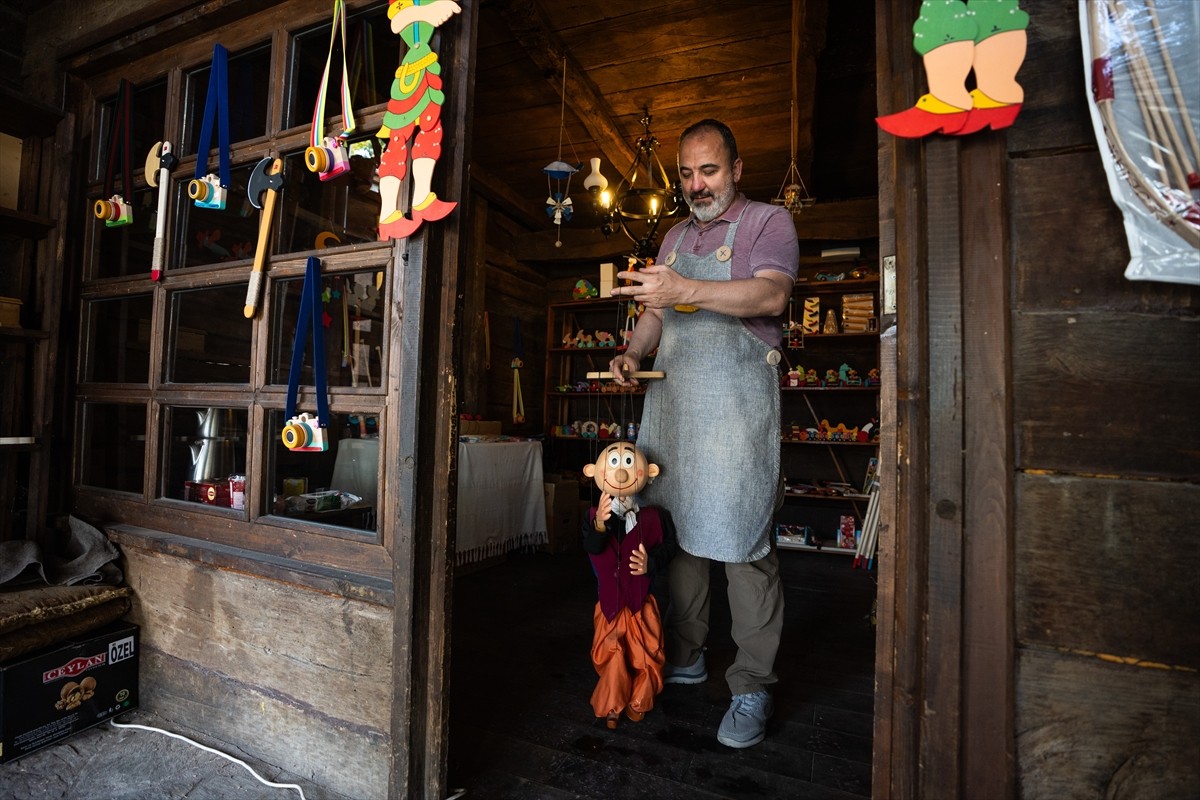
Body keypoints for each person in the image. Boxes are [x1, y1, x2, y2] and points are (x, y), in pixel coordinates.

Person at [606, 119, 799, 748]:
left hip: (736, 410)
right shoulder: (672, 237)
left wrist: (687, 287)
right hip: (677, 409)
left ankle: (751, 684)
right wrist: (633, 355)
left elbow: (770, 297)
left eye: (709, 170)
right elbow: (655, 313)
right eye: (687, 173)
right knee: (682, 533)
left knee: (742, 542)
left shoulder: (769, 223)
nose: (697, 184)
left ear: (737, 169)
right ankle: (687, 653)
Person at [581, 442, 676, 729]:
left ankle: (639, 700)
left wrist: (652, 562)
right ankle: (612, 704)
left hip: (640, 602)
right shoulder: (594, 516)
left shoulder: (655, 517)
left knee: (646, 654)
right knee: (612, 655)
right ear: (593, 472)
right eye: (612, 464)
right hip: (610, 605)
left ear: (651, 472)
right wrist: (600, 523)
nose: (621, 474)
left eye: (627, 464)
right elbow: (592, 547)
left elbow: (670, 548)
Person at [375, 0, 461, 240]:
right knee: (397, 140)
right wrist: (429, 11)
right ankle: (388, 215)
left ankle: (422, 198)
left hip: (426, 70)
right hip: (410, 74)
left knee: (431, 130)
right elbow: (397, 20)